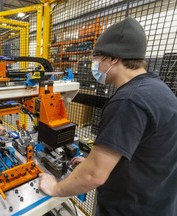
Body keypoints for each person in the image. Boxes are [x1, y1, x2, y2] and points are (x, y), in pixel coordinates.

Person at [39, 16, 177, 216]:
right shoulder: (159, 89)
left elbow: (93, 176)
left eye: (96, 58)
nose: (95, 65)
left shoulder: (128, 101)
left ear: (113, 58)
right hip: (158, 203)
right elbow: (143, 151)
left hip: (129, 209)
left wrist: (56, 188)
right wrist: (92, 162)